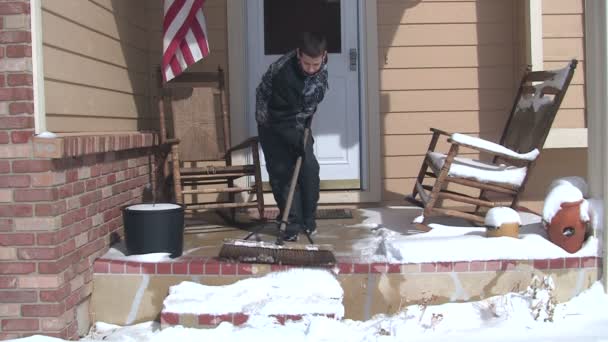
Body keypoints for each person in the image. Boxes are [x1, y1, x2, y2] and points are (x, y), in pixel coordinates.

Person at [255, 32, 329, 242]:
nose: (312, 69)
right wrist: (294, 139)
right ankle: (291, 223)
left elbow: (313, 94)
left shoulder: (320, 65)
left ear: (324, 55)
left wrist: (305, 119)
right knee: (283, 173)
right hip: (272, 123)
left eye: (316, 64)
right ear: (298, 54)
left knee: (309, 168)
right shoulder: (284, 74)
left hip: (298, 122)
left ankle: (308, 220)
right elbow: (278, 115)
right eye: (307, 64)